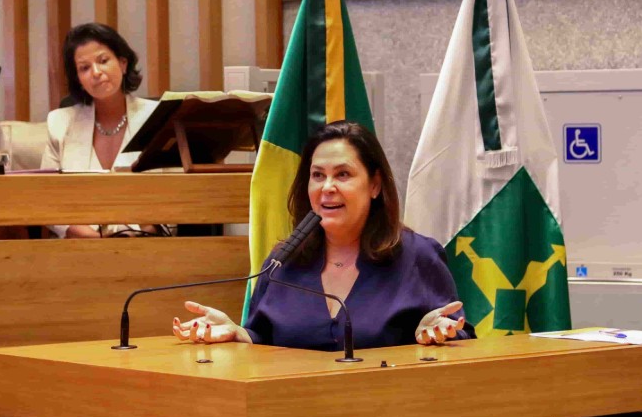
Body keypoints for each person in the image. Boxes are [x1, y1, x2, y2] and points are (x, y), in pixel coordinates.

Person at [173, 120, 472, 350]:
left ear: (375, 185)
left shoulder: (417, 257)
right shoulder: (283, 261)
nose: (327, 187)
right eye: (318, 175)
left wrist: (440, 334)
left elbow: (457, 334)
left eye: (343, 174)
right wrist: (237, 335)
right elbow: (262, 341)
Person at [41, 22, 159, 238]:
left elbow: (176, 195)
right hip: (80, 250)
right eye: (84, 68)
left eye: (103, 61)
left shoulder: (156, 118)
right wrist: (90, 238)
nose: (96, 72)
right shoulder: (59, 123)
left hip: (148, 248)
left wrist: (143, 235)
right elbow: (47, 199)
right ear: (78, 79)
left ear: (123, 64)